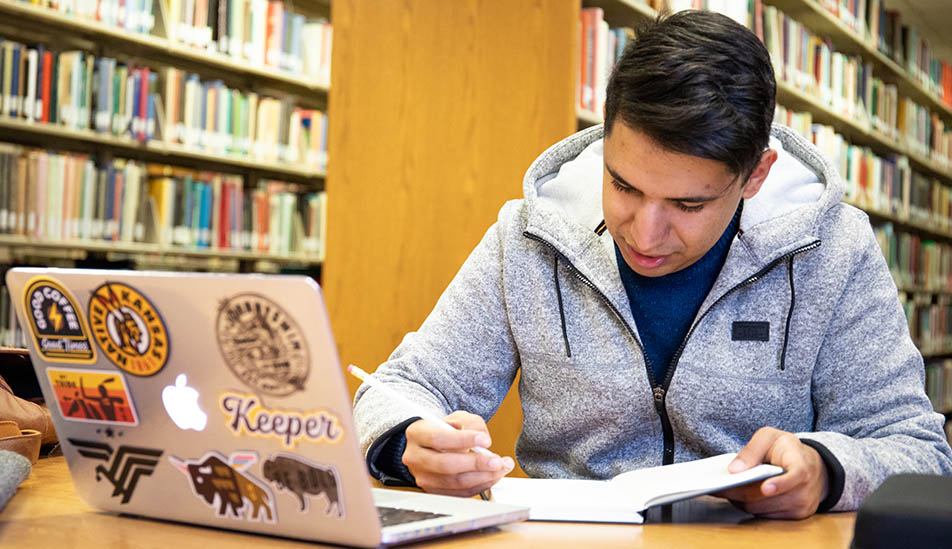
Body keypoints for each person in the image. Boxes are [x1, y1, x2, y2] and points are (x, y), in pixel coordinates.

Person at [352, 9, 952, 519]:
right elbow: (401, 387)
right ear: (605, 137)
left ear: (755, 175)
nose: (645, 232)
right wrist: (407, 441)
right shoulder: (527, 236)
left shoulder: (835, 251)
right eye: (624, 186)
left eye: (688, 204)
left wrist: (826, 470)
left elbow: (916, 447)